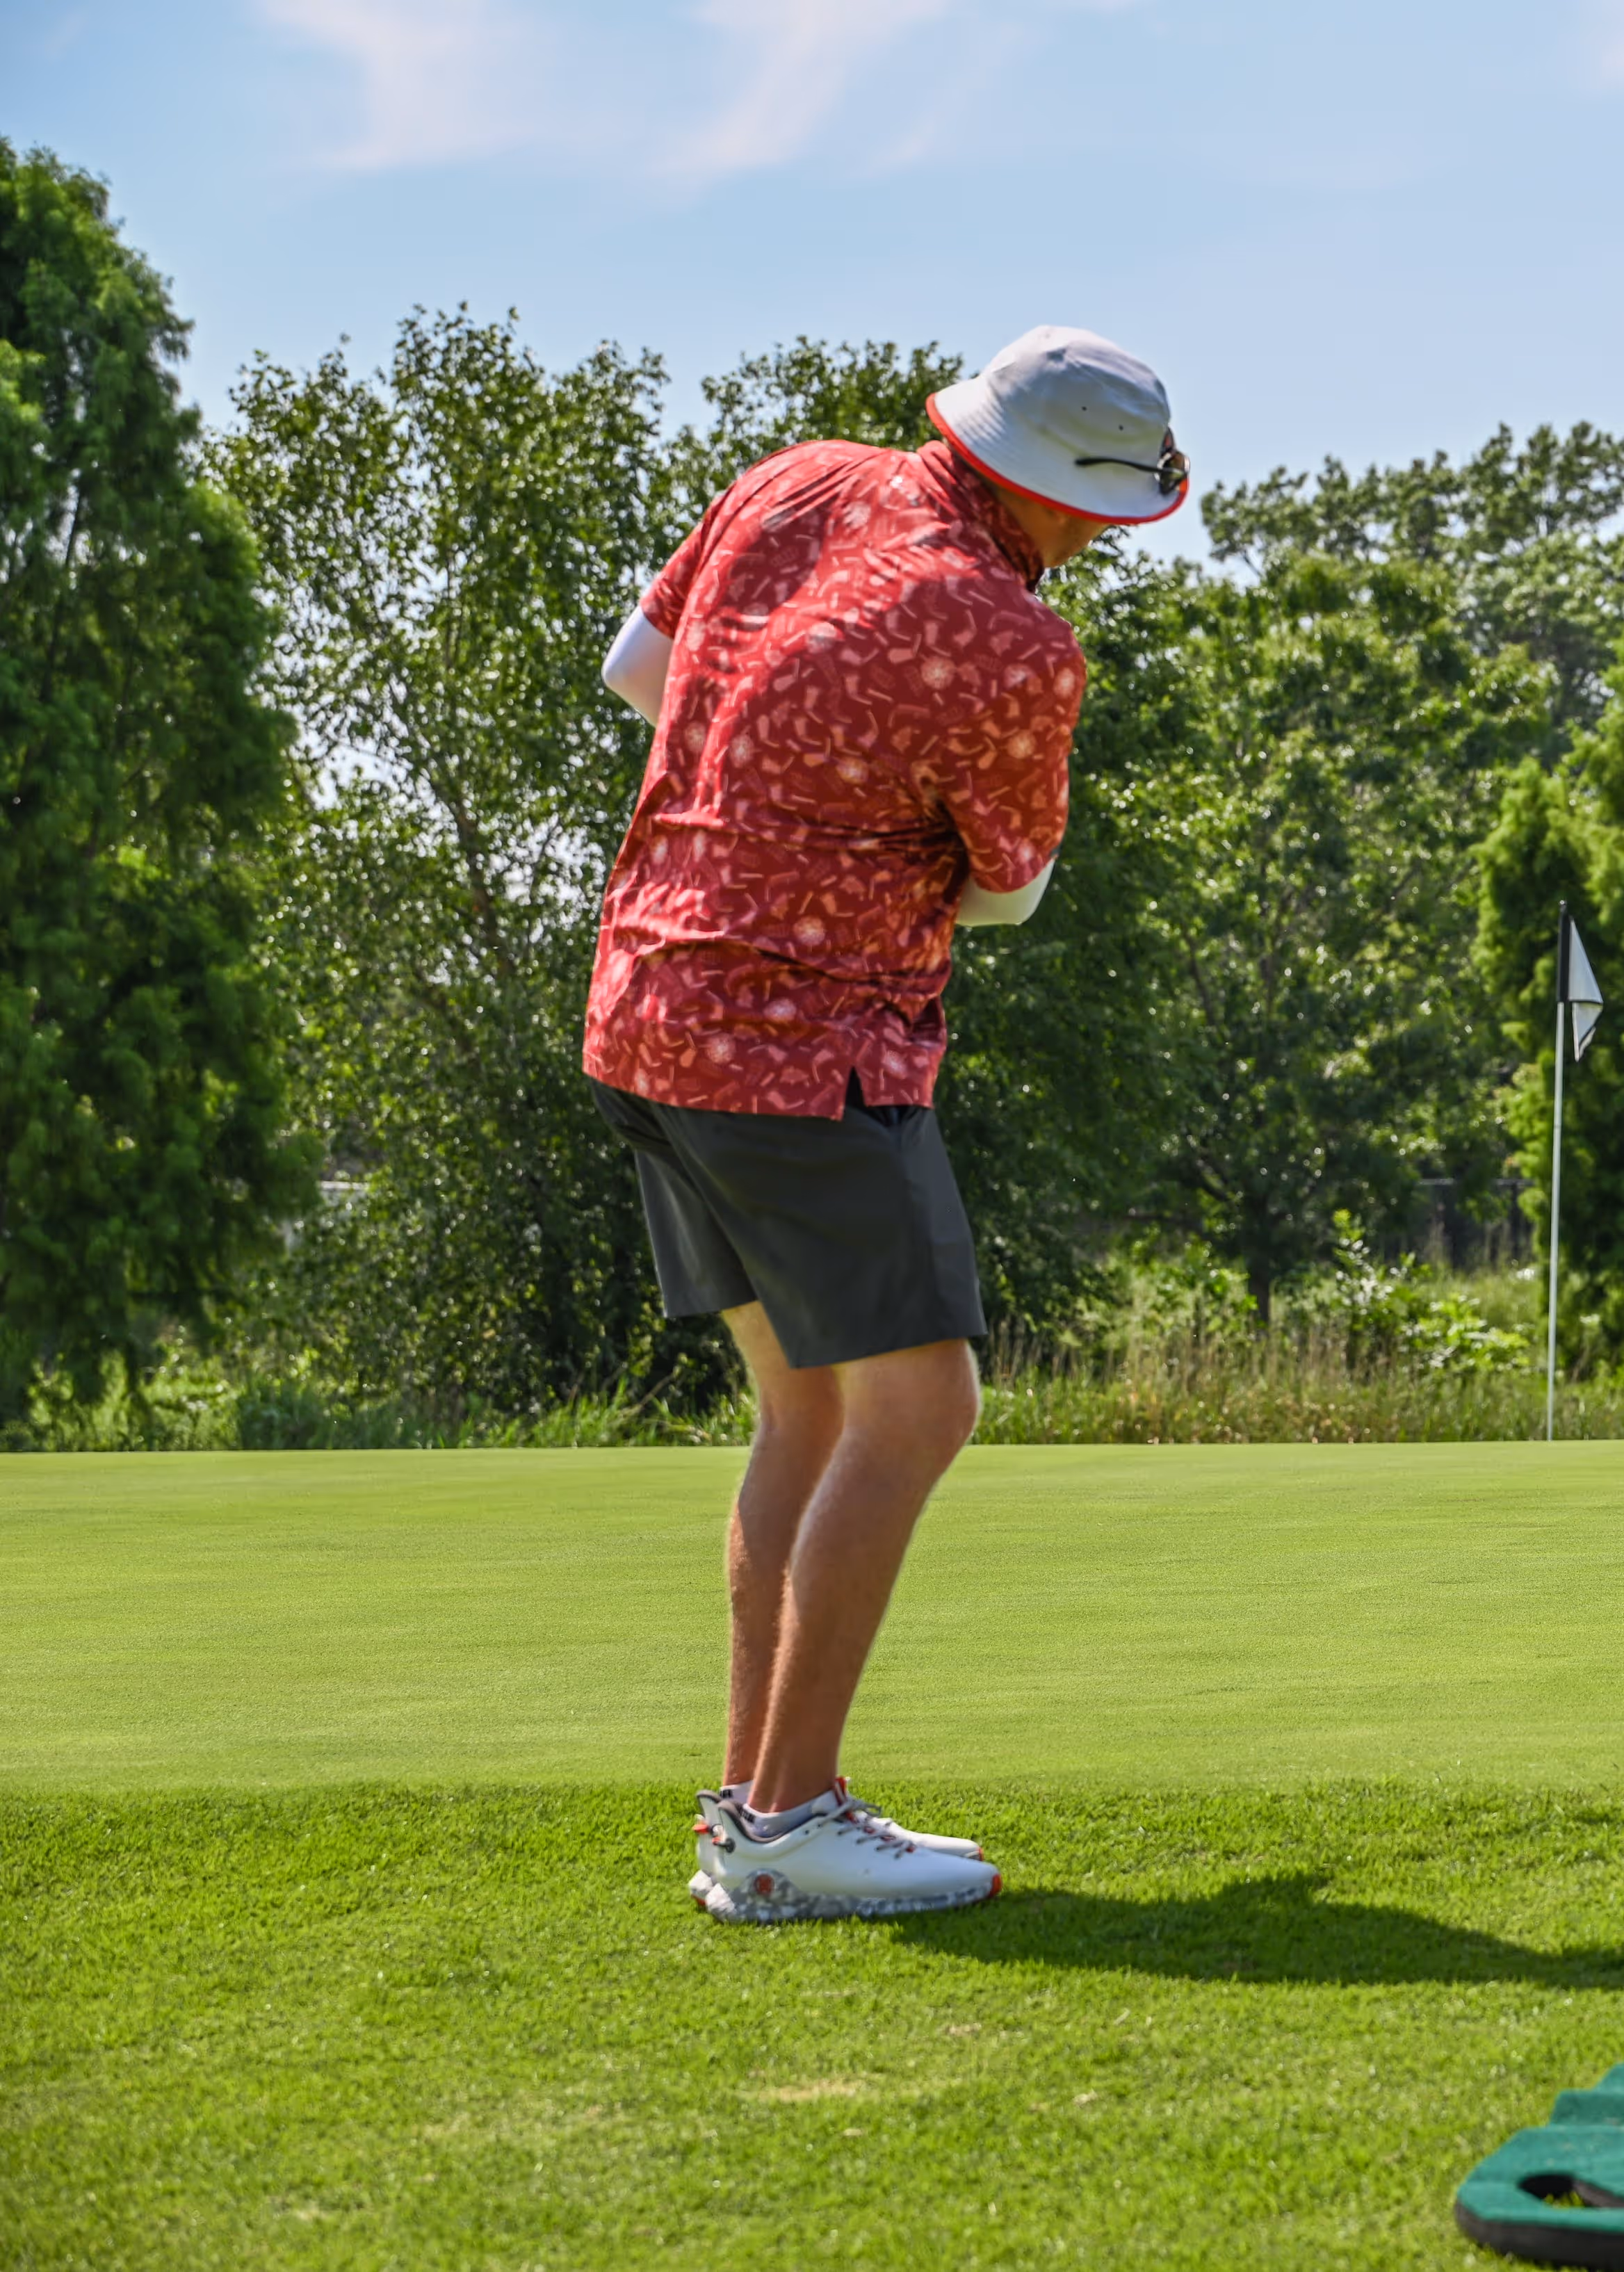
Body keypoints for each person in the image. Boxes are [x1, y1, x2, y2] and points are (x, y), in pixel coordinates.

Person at [585, 327, 1187, 1923]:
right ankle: (788, 1818)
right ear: (1051, 494)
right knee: (917, 1410)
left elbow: (636, 678)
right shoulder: (1013, 640)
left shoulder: (792, 481)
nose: (1098, 546)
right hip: (808, 1050)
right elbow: (1007, 891)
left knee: (803, 1417)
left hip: (646, 1006)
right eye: (1099, 516)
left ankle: (748, 1808)